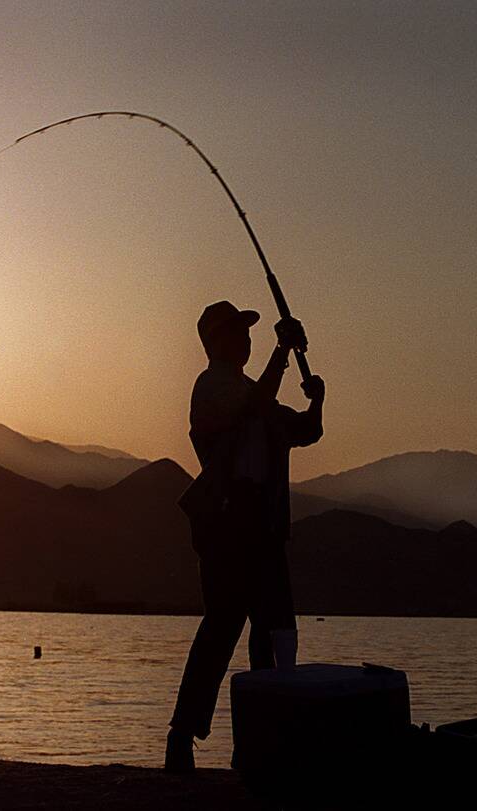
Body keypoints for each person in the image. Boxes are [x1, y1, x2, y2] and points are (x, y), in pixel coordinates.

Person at [165, 300, 325, 772]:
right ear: (216, 341)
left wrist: (317, 397)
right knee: (221, 629)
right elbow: (252, 410)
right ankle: (182, 735)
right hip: (227, 524)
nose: (247, 339)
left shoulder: (256, 393)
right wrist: (282, 350)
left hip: (265, 528)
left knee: (273, 636)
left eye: (249, 333)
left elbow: (306, 431)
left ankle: (259, 747)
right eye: (238, 331)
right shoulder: (211, 386)